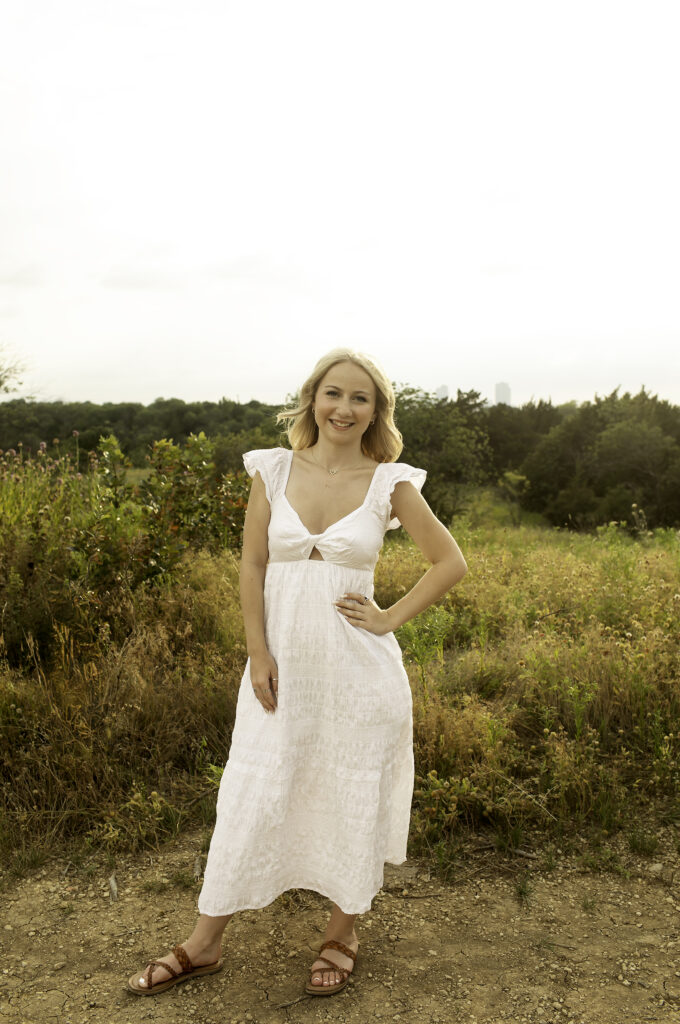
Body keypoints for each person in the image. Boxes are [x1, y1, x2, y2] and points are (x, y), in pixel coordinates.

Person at [127, 348, 467, 998]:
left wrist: (388, 617)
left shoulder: (387, 482)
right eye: (333, 393)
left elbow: (448, 562)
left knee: (349, 796)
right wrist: (258, 653)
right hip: (279, 670)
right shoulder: (273, 469)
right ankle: (204, 943)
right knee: (250, 795)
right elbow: (252, 564)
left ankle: (342, 932)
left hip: (358, 678)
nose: (344, 408)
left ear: (375, 411)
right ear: (313, 398)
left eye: (359, 398)